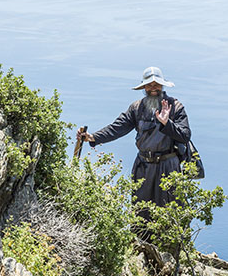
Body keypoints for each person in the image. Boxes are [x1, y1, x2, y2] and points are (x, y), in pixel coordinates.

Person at [78, 66, 191, 211]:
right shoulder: (137, 108)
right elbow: (117, 128)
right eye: (149, 84)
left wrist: (166, 123)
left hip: (168, 166)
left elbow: (185, 135)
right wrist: (93, 137)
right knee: (141, 212)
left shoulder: (175, 107)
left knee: (170, 210)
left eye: (156, 84)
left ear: (162, 85)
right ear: (144, 87)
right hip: (143, 167)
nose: (153, 88)